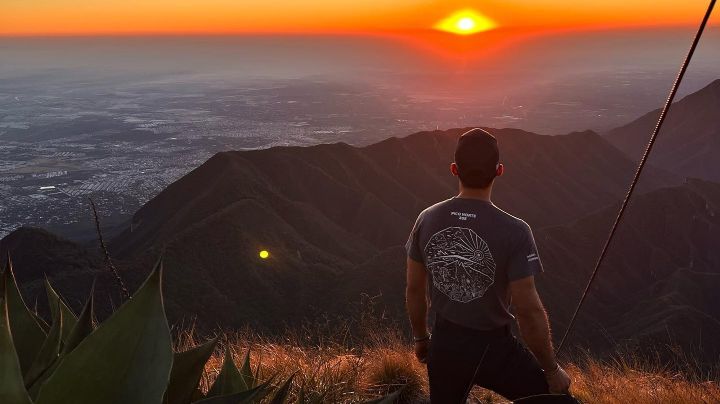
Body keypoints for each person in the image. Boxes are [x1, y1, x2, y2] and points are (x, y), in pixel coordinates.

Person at [405, 128, 572, 403]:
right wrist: (552, 370)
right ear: (500, 170)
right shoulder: (516, 231)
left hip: (445, 345)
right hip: (495, 348)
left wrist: (422, 339)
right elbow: (528, 310)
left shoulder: (427, 219)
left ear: (454, 169)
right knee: (553, 400)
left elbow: (414, 289)